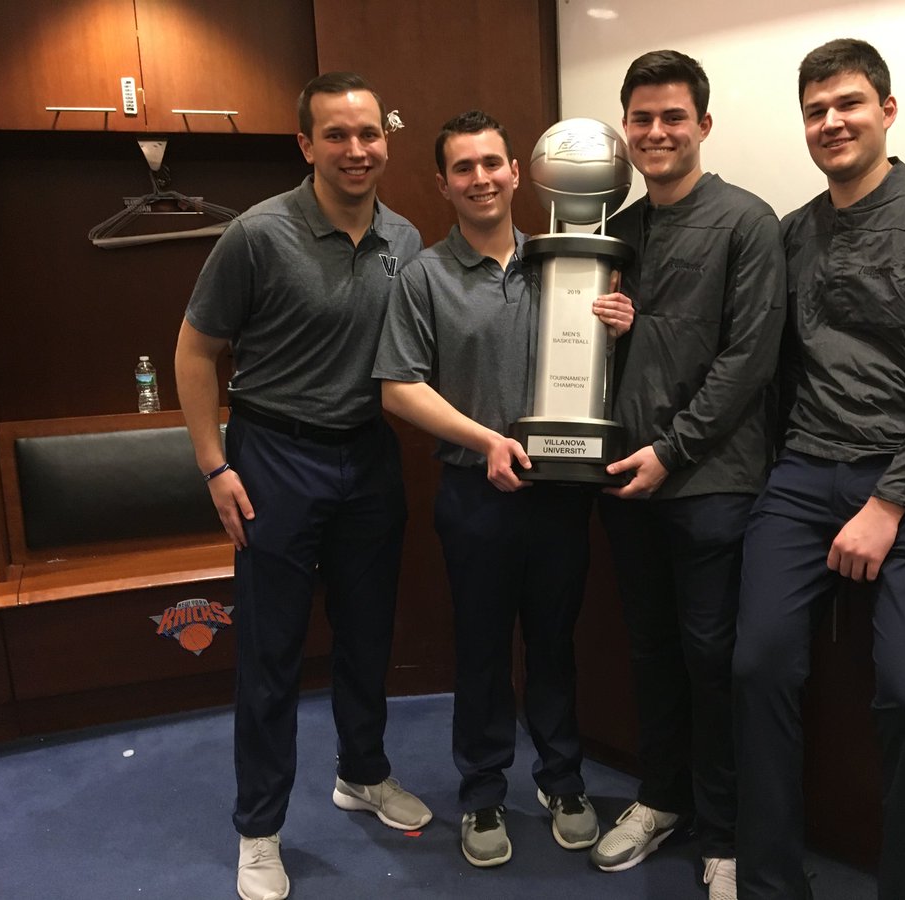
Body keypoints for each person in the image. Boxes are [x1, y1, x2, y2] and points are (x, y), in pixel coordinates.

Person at [733, 38, 905, 899]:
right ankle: (771, 882)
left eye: (847, 103)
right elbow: (752, 356)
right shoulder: (790, 233)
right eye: (814, 110)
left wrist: (888, 501)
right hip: (807, 474)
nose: (830, 122)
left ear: (886, 110)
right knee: (758, 666)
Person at [174, 71, 432, 900]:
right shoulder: (257, 235)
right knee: (273, 656)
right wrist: (215, 466)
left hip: (368, 457)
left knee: (366, 636)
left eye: (369, 134)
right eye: (337, 136)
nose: (356, 150)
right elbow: (194, 353)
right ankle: (261, 828)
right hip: (273, 459)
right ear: (306, 144)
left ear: (385, 139)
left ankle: (362, 772)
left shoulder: (406, 236)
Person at [374, 110, 633, 869]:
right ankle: (482, 791)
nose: (481, 178)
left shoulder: (568, 261)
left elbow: (605, 380)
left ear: (519, 172)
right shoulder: (424, 275)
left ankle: (562, 779)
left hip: (562, 493)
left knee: (555, 642)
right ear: (444, 184)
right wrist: (484, 440)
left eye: (493, 163)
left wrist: (622, 328)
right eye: (464, 168)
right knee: (483, 649)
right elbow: (398, 387)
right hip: (475, 494)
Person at [587, 50, 787, 900]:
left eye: (673, 117)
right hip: (624, 484)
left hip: (713, 486)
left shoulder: (748, 221)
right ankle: (660, 798)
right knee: (651, 651)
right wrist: (610, 329)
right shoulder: (615, 235)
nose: (657, 132)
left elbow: (750, 358)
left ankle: (725, 833)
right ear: (626, 130)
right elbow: (604, 359)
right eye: (642, 119)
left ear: (703, 125)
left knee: (714, 660)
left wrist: (673, 450)